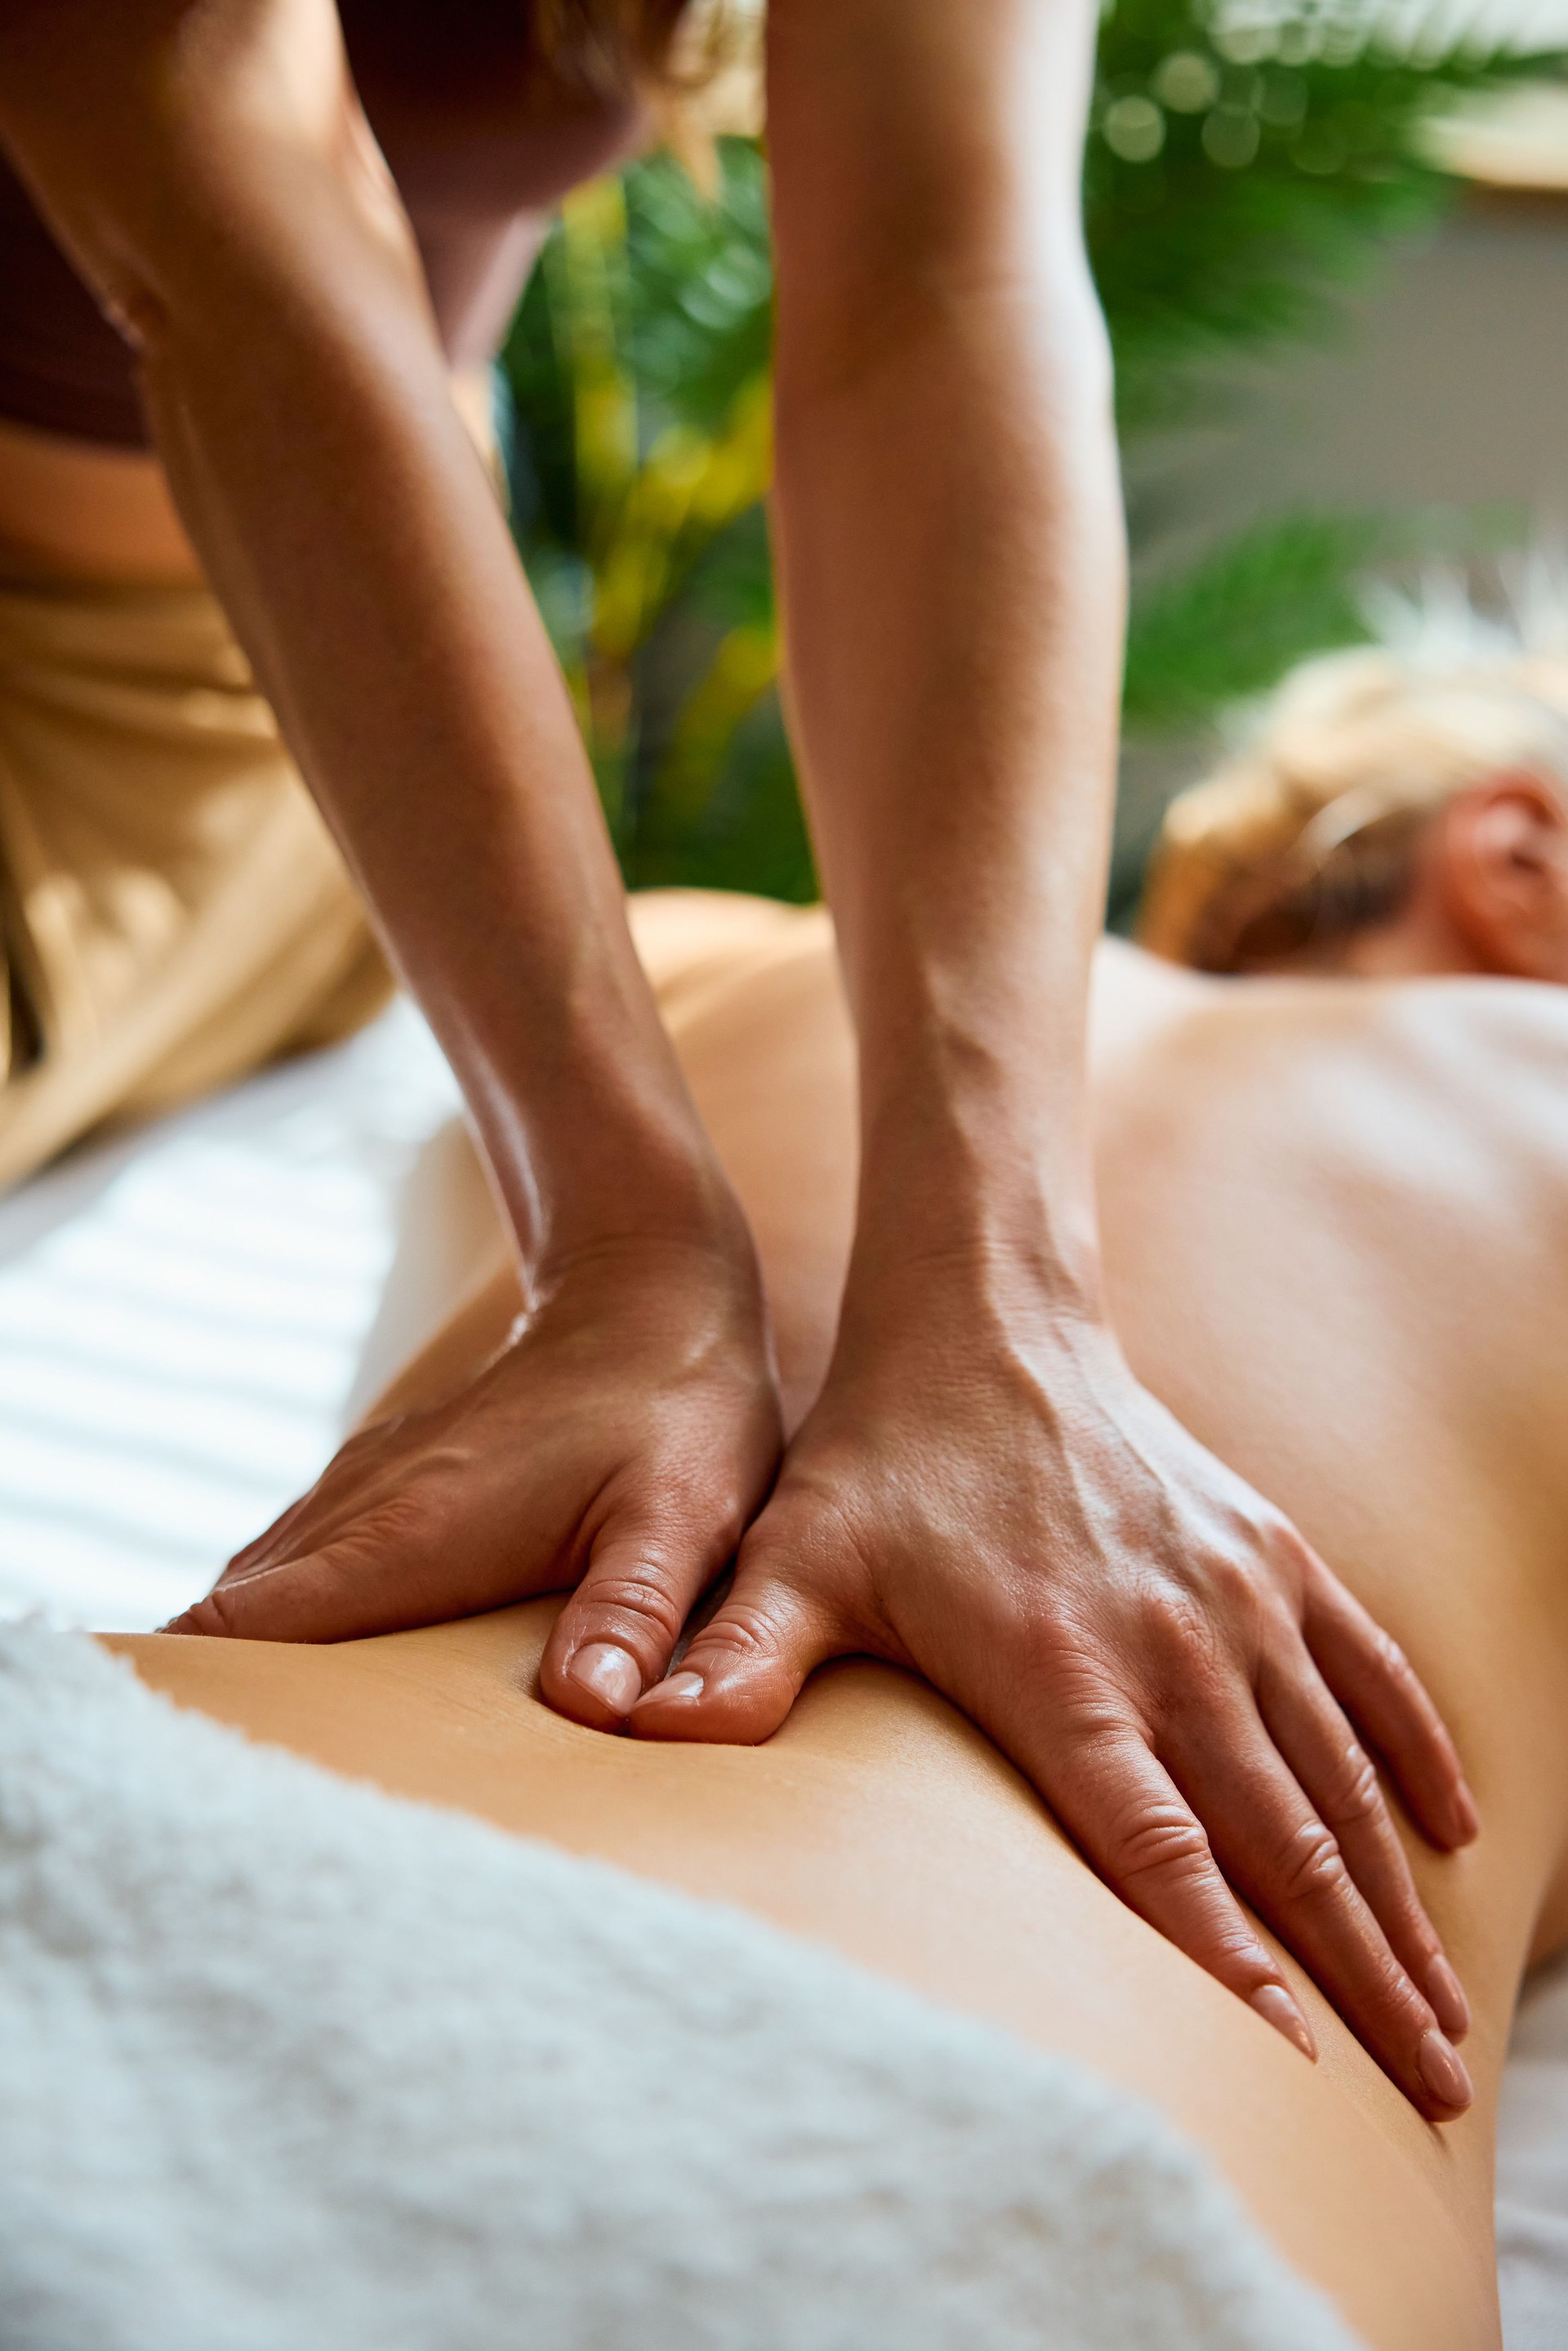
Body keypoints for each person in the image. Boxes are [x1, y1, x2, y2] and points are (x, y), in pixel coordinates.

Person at [0, 0, 1472, 2085]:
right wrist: (622, 1242)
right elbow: (235, 223)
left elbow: (944, 278)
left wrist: (1000, 1303)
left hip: (309, 763)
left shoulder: (728, 963)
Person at [122, 849, 1568, 2351]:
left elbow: (435, 1200)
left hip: (166, 1821)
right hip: (1021, 2153)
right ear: (1518, 850)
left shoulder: (699, 954)